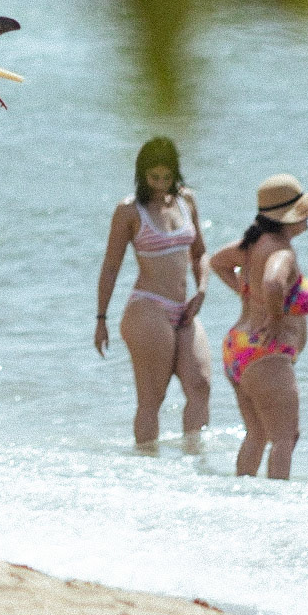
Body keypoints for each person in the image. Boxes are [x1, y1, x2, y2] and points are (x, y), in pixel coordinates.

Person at [95, 137, 210, 446]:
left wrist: (201, 290)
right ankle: (147, 466)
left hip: (184, 307)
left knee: (200, 386)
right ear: (142, 174)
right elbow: (111, 267)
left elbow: (200, 253)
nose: (160, 184)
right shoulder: (130, 211)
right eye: (153, 177)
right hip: (148, 307)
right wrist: (101, 319)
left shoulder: (187, 202)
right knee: (152, 398)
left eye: (166, 177)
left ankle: (194, 461)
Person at [210, 175, 308, 480]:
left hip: (238, 346)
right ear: (288, 218)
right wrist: (274, 317)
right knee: (285, 438)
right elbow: (273, 282)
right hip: (265, 352)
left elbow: (217, 261)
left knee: (257, 434)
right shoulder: (282, 253)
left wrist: (247, 293)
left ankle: (243, 496)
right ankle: (277, 502)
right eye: (304, 211)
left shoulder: (252, 245)